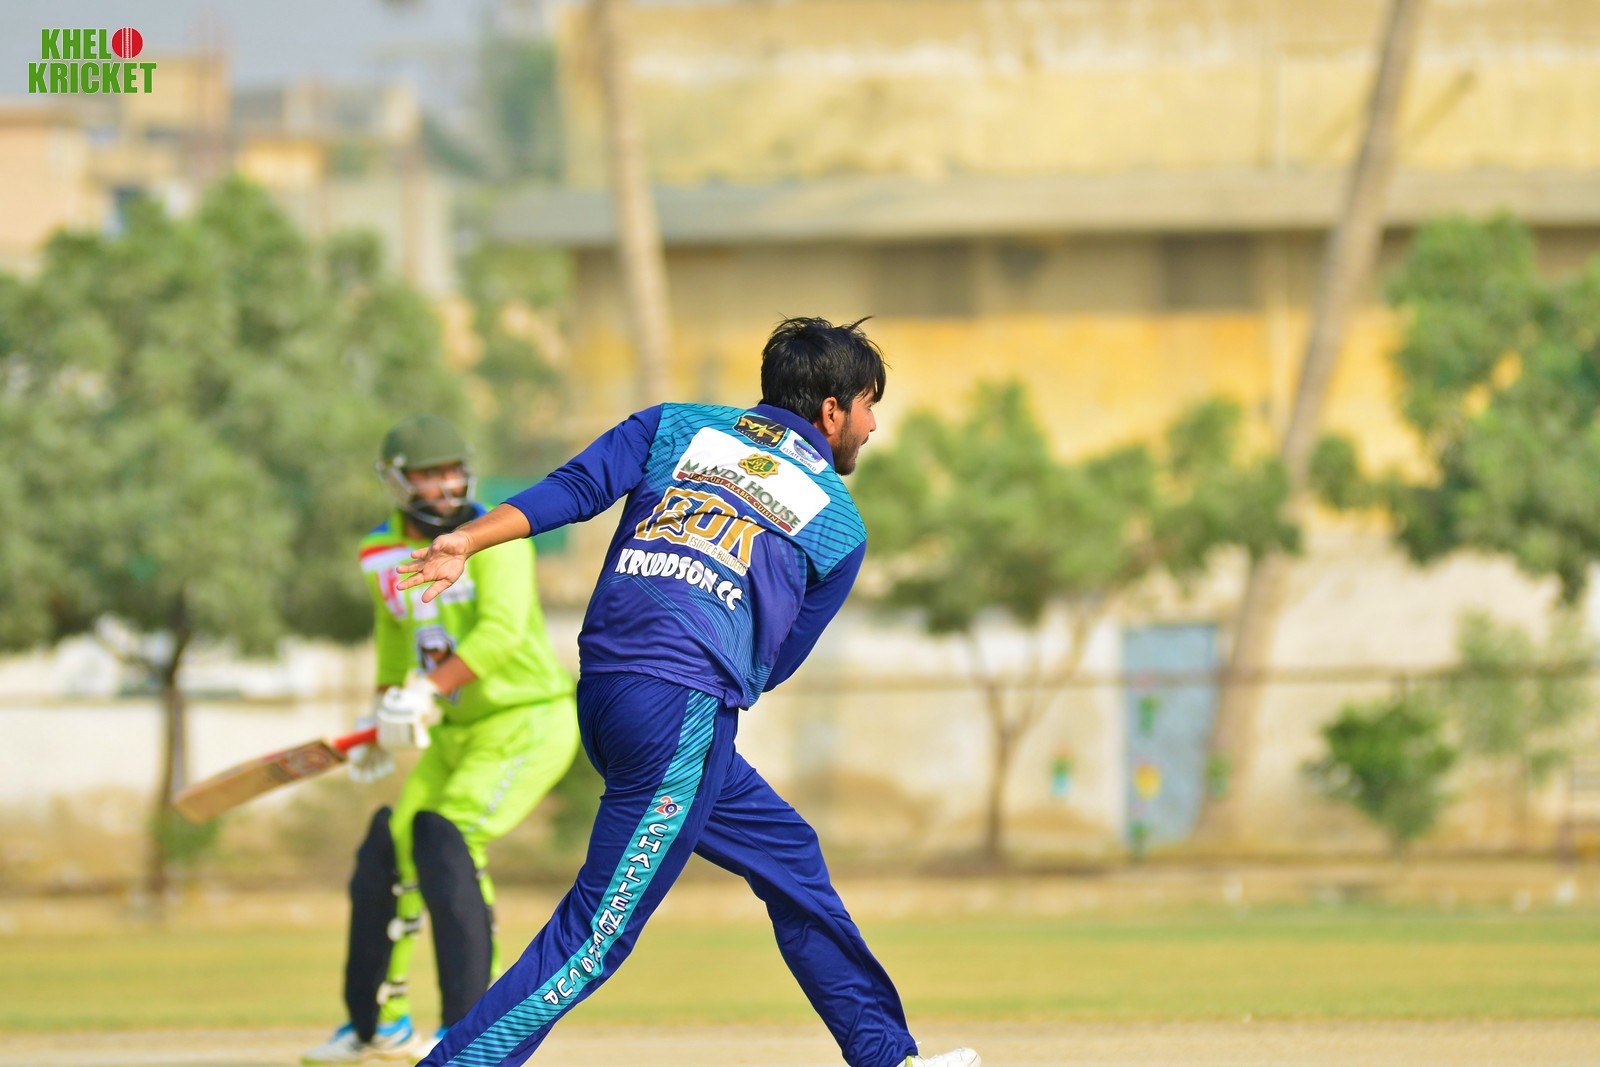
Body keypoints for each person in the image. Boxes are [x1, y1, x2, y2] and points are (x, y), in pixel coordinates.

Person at [396, 318, 980, 1067]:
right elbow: (775, 661)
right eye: (869, 406)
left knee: (791, 859)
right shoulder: (838, 525)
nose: (872, 425)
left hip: (609, 692)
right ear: (832, 410)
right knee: (596, 933)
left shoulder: (672, 425)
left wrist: (468, 540)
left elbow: (576, 488)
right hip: (681, 711)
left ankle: (886, 1055)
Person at [303, 415, 580, 1064]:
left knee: (448, 837)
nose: (446, 485)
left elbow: (502, 632)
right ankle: (380, 1023)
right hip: (453, 730)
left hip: (525, 719)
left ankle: (472, 1027)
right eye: (429, 474)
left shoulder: (495, 536)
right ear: (397, 480)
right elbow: (394, 633)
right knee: (394, 845)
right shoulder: (378, 551)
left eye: (453, 470)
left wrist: (428, 689)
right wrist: (382, 711)